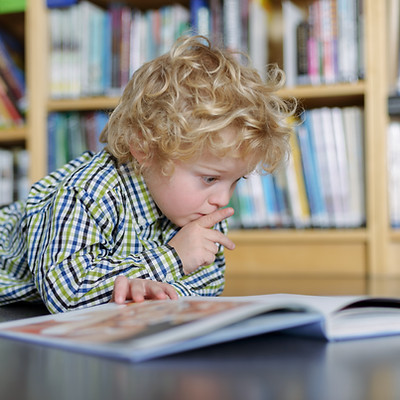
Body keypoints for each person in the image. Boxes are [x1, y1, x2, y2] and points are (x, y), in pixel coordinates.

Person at [0, 35, 294, 313]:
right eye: (209, 178)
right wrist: (173, 258)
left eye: (235, 181)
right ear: (143, 148)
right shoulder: (89, 192)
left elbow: (208, 283)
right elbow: (66, 291)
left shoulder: (198, 211)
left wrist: (150, 287)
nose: (222, 199)